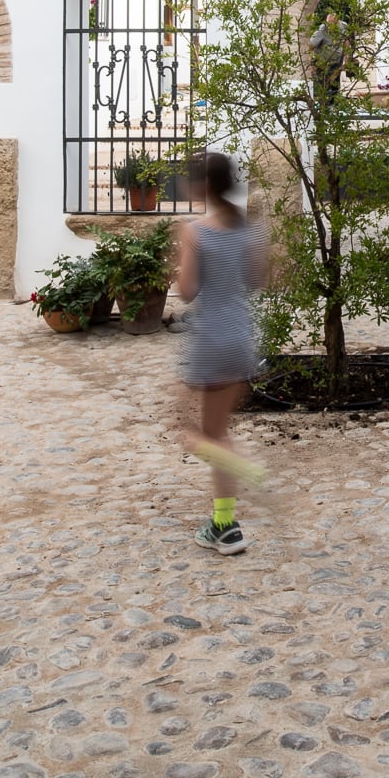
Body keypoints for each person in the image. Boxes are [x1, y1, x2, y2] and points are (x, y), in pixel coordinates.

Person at [174, 152, 267, 555]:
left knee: (191, 432)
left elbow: (187, 291)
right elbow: (258, 280)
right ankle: (222, 524)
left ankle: (231, 517)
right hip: (241, 336)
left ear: (202, 188)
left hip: (210, 338)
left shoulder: (196, 232)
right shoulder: (250, 230)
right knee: (215, 431)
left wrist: (179, 265)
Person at [310, 10, 346, 107]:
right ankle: (323, 105)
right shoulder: (321, 31)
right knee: (323, 85)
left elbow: (346, 41)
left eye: (334, 23)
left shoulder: (343, 27)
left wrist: (347, 58)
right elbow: (310, 46)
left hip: (336, 62)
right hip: (322, 63)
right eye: (330, 23)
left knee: (334, 85)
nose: (332, 26)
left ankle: (332, 105)